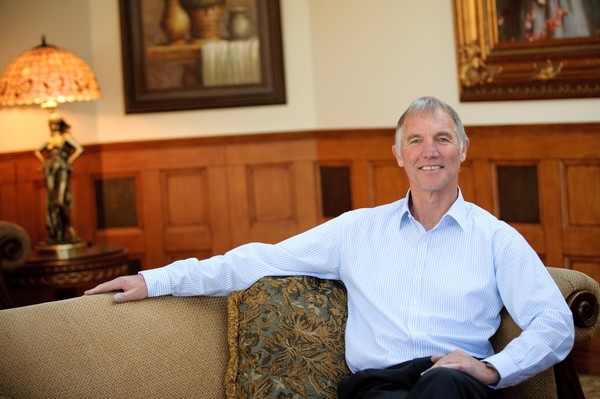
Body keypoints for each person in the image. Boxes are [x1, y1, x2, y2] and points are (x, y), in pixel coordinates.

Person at [85, 96, 574, 398]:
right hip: (378, 387)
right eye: (417, 140)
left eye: (443, 139)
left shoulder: (496, 238)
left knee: (444, 385)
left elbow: (554, 323)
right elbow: (260, 258)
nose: (430, 152)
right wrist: (157, 279)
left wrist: (490, 369)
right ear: (398, 154)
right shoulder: (356, 230)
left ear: (463, 150)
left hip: (455, 386)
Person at [35, 113, 83, 243]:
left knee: (60, 200)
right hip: (50, 169)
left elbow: (79, 149)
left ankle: (70, 228)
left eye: (56, 123)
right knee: (51, 201)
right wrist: (44, 162)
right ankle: (55, 231)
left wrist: (69, 161)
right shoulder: (49, 140)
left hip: (62, 168)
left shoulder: (66, 137)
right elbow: (37, 150)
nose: (53, 126)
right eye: (51, 123)